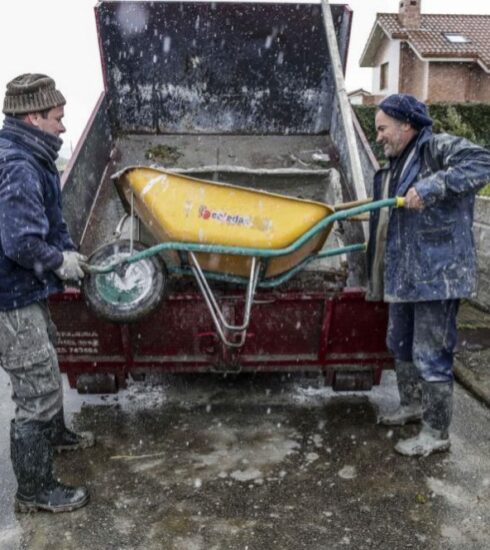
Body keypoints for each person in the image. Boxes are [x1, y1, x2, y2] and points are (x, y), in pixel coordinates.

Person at [367, 93, 490, 457]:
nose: (379, 137)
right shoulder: (396, 163)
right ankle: (413, 405)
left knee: (431, 353)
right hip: (406, 276)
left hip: (438, 275)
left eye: (383, 128)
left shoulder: (434, 148)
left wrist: (432, 186)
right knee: (400, 344)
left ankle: (436, 432)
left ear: (407, 125)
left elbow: (484, 161)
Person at [0, 73, 94, 512]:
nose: (62, 126)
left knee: (48, 356)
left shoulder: (30, 155)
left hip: (24, 288)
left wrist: (68, 252)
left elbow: (48, 224)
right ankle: (34, 493)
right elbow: (19, 242)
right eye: (57, 117)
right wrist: (60, 263)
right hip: (9, 298)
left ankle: (55, 435)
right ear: (33, 116)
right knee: (36, 387)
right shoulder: (18, 164)